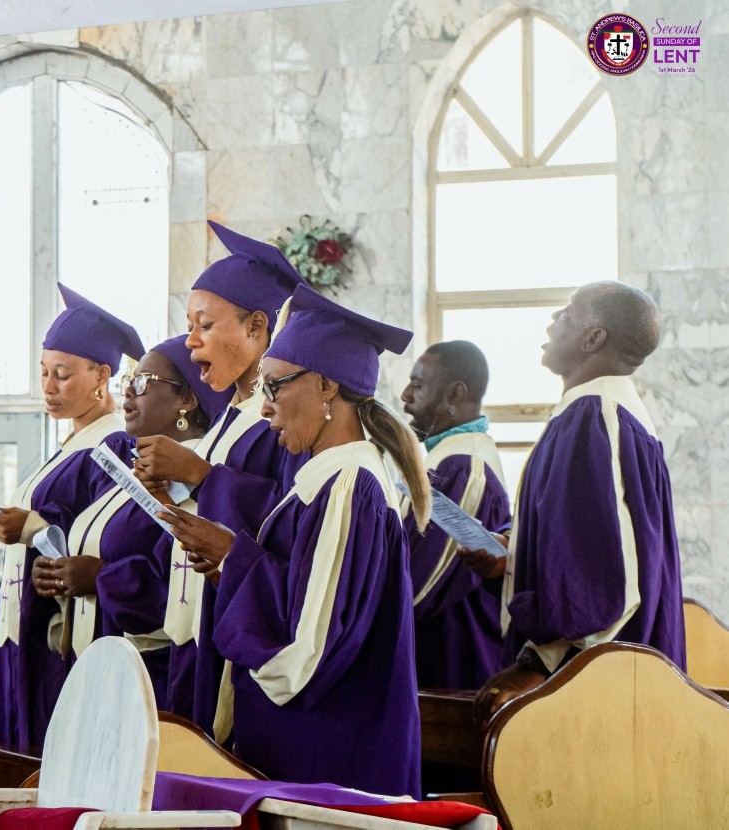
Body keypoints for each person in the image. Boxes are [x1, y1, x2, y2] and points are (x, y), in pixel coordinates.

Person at [164, 284, 428, 797]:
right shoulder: (322, 481)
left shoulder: (350, 485)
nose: (264, 409)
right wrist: (228, 564)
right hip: (309, 749)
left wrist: (233, 557)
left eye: (274, 388)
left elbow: (309, 651)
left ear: (326, 385)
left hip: (331, 759)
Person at [466, 282, 684, 719]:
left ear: (593, 338)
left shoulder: (593, 417)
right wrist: (512, 557)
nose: (552, 320)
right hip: (599, 669)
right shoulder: (605, 412)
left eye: (567, 313)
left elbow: (605, 578)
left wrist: (536, 662)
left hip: (587, 680)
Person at [131, 220, 303, 738]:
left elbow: (289, 519)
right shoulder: (230, 415)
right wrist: (175, 494)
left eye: (204, 325)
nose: (190, 340)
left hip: (245, 623)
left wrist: (204, 476)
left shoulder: (282, 420)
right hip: (195, 619)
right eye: (189, 325)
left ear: (255, 328)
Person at [0, 284, 145, 749]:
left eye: (63, 375)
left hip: (58, 642)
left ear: (102, 375)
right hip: (22, 637)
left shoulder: (113, 446)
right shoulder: (70, 444)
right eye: (44, 372)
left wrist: (30, 528)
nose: (48, 387)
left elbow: (103, 541)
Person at [32, 336, 227, 704]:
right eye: (127, 384)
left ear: (187, 399)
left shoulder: (197, 480)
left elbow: (181, 591)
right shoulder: (134, 472)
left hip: (150, 683)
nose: (128, 397)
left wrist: (99, 577)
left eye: (141, 384)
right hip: (97, 672)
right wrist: (58, 573)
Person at [398, 341, 510, 689]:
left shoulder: (464, 466)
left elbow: (418, 587)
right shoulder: (445, 458)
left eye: (417, 385)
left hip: (451, 668)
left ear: (455, 393)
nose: (405, 396)